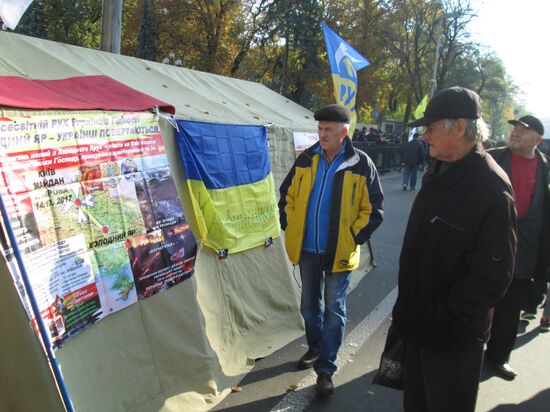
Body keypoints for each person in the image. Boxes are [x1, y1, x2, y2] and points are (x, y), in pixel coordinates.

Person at [391, 86, 517, 412]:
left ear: (459, 128)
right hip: (418, 331)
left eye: (431, 128)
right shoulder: (440, 169)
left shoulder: (490, 186)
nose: (425, 135)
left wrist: (439, 316)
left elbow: (492, 277)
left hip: (451, 342)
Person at [279, 104, 383, 397]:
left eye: (328, 129)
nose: (322, 134)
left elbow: (373, 208)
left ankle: (325, 370)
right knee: (308, 307)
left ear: (344, 132)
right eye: (320, 129)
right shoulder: (306, 159)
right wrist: (291, 224)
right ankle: (314, 347)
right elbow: (287, 194)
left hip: (340, 251)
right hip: (307, 249)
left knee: (334, 310)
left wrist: (353, 237)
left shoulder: (361, 164)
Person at [484, 115, 550, 379]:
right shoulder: (490, 157)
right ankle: (464, 353)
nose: (516, 133)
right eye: (515, 129)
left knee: (510, 312)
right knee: (477, 303)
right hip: (487, 246)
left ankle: (498, 358)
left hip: (525, 252)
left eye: (524, 130)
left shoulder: (546, 167)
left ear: (537, 139)